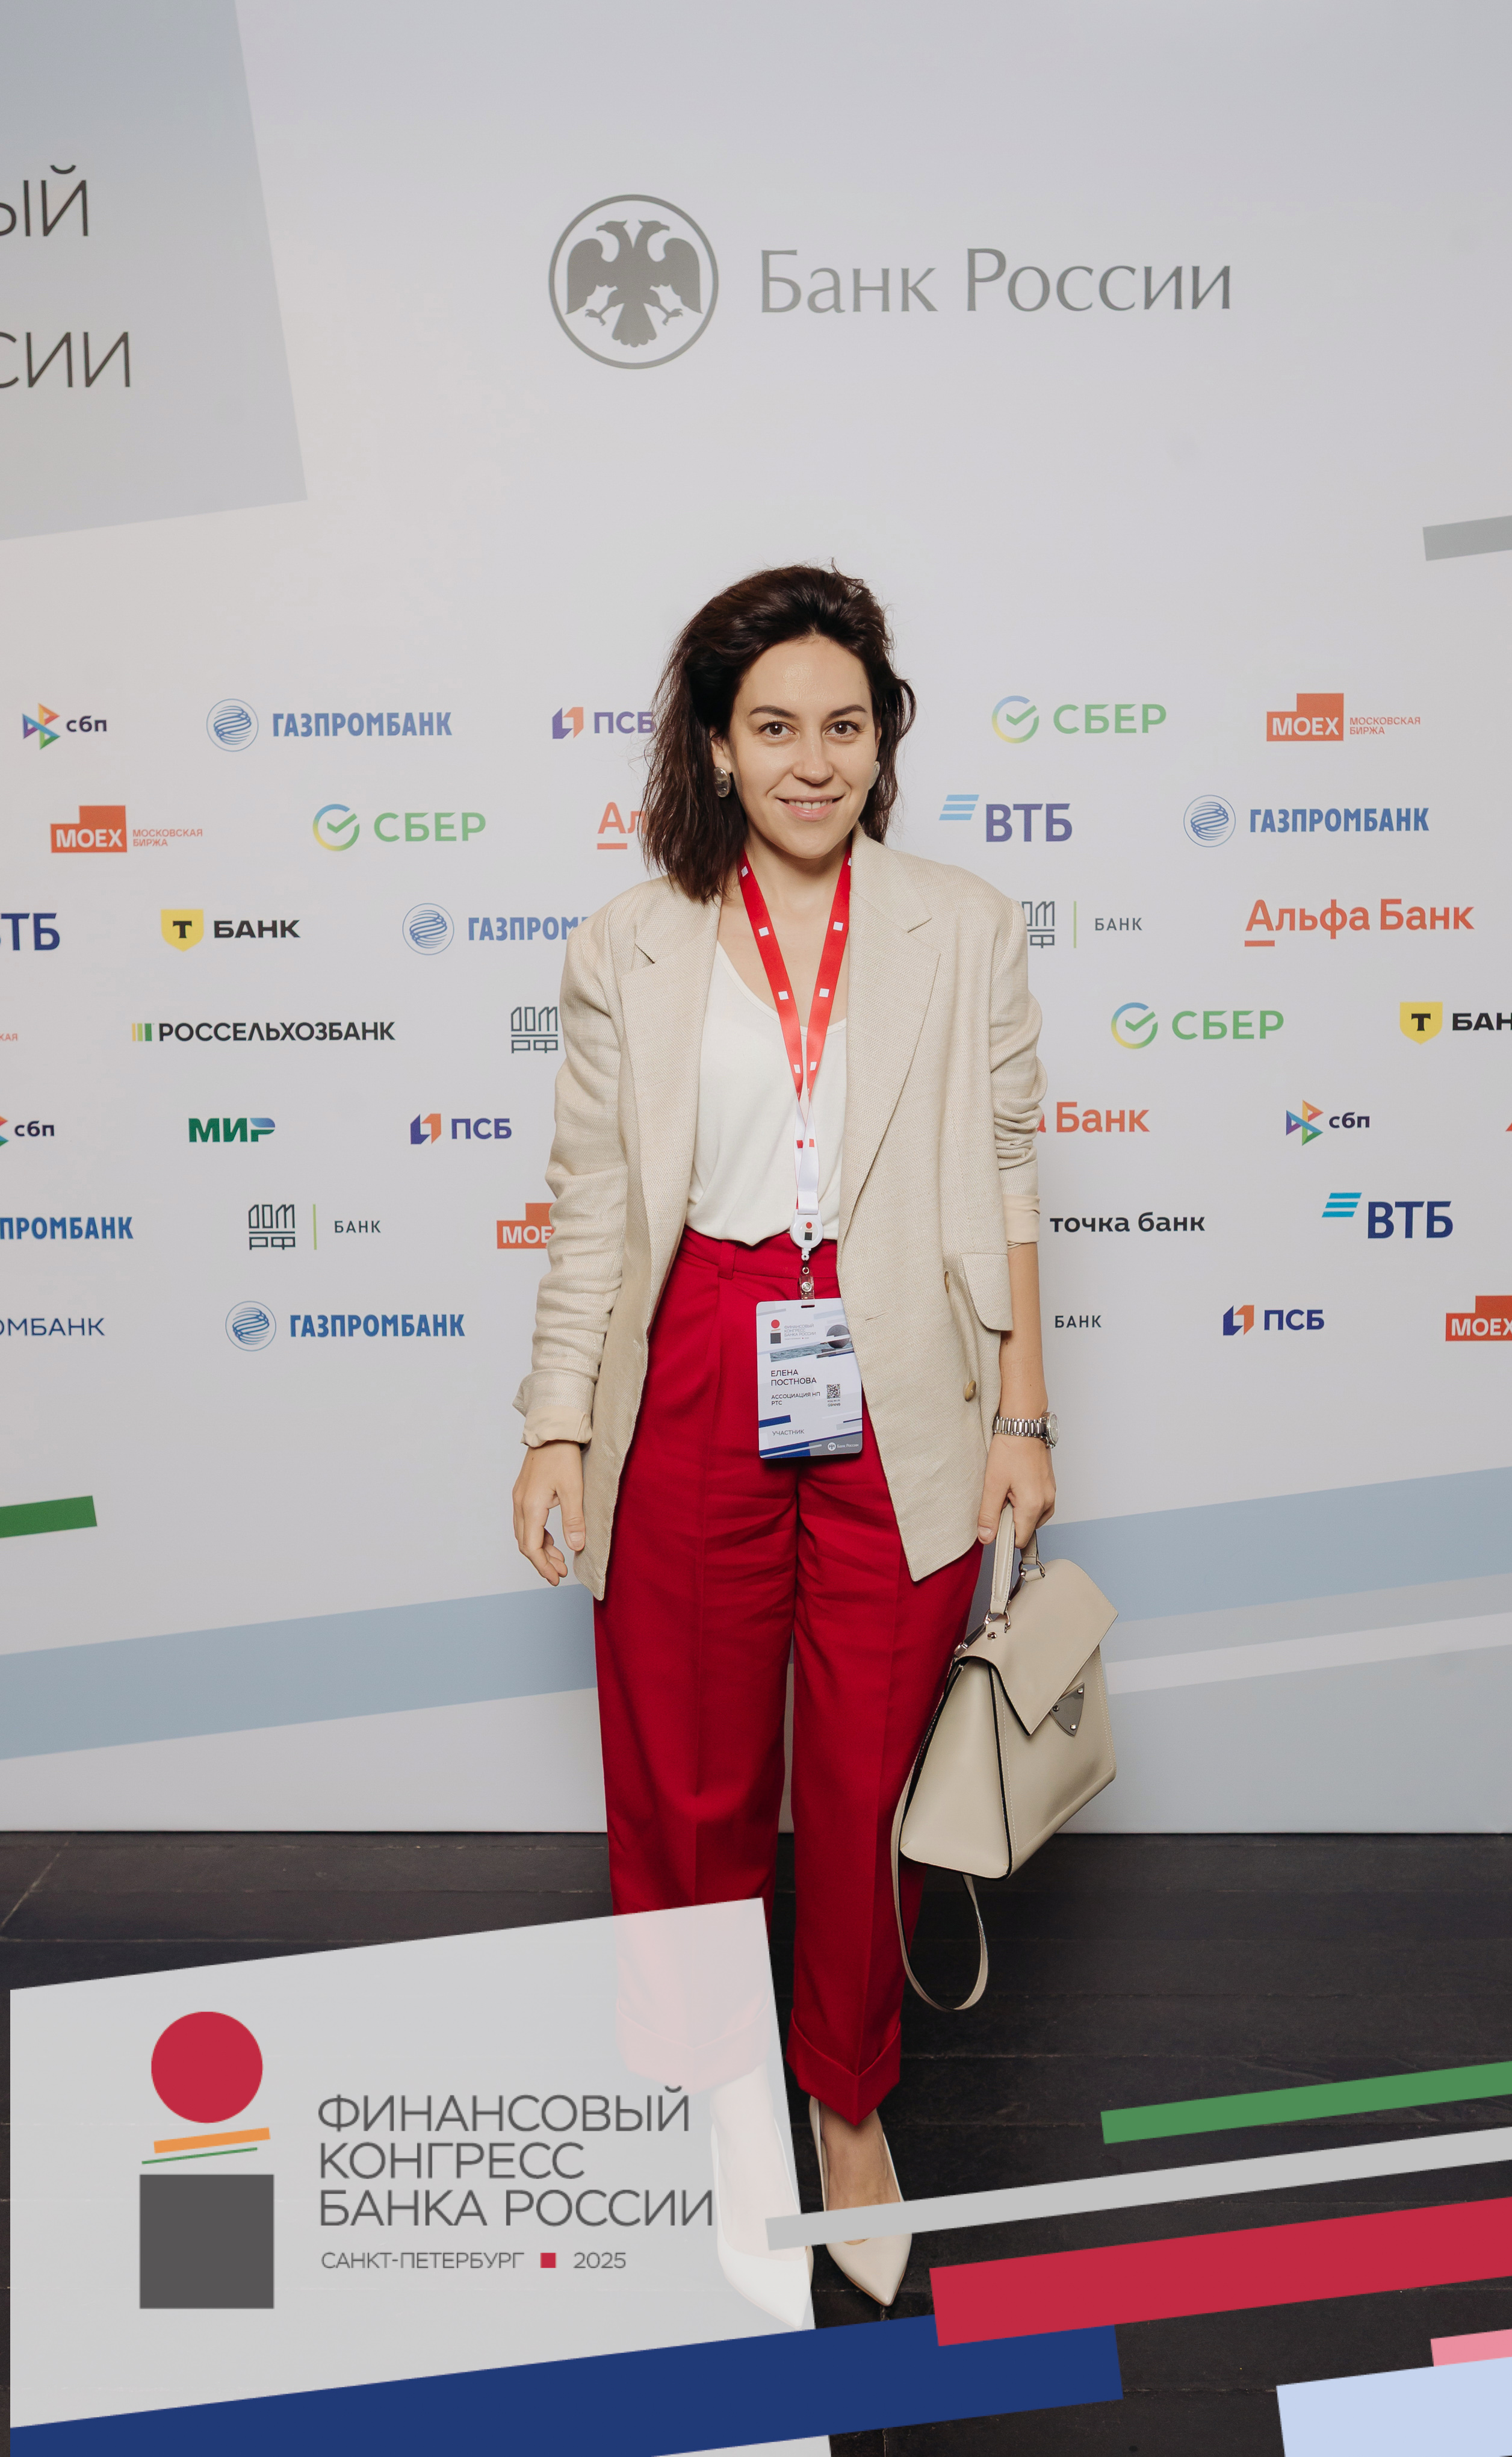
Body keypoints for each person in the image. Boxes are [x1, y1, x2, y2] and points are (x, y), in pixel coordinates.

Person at [511, 564, 1054, 2306]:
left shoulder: (962, 924)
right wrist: (558, 1421)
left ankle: (847, 2097)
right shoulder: (631, 938)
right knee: (689, 1780)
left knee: (868, 1777)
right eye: (773, 729)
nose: (811, 762)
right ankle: (724, 2090)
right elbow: (593, 1207)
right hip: (694, 1359)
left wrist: (1026, 1409)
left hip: (901, 1367)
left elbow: (1013, 1172)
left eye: (844, 726)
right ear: (716, 748)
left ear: (883, 740)